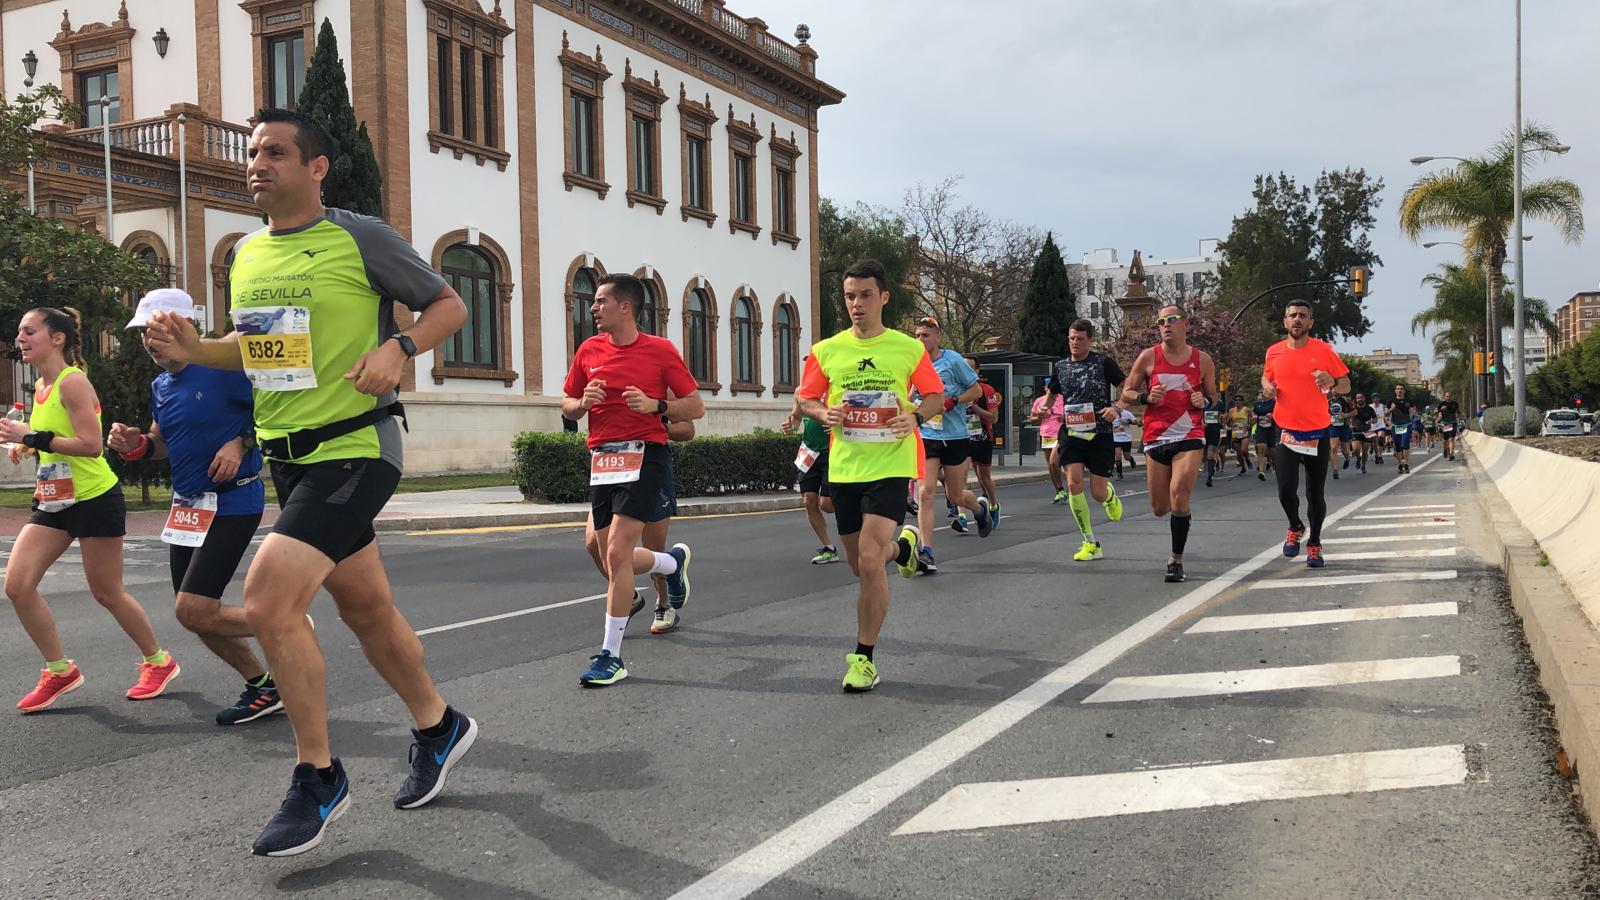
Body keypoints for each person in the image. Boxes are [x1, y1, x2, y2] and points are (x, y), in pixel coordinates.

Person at [144, 108, 475, 857]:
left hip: (356, 444)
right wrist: (201, 348)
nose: (256, 163)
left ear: (316, 167)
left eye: (275, 153)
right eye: (253, 152)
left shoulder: (358, 236)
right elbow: (260, 352)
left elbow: (449, 304)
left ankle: (318, 776)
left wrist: (400, 345)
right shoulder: (247, 255)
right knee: (366, 610)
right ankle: (439, 725)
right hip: (289, 460)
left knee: (266, 601)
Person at [108, 290, 277, 726]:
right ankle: (262, 685)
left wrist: (239, 442)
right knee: (196, 616)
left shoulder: (224, 367)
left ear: (186, 326)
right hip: (188, 510)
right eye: (143, 331)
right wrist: (137, 446)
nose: (149, 340)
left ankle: (283, 624)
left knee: (193, 609)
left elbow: (273, 412)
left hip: (235, 499)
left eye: (157, 329)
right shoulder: (161, 386)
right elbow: (161, 442)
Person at [2, 307, 180, 714]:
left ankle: (159, 661)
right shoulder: (43, 388)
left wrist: (32, 434)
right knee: (18, 585)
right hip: (54, 500)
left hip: (95, 498)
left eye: (29, 331)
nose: (21, 339)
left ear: (57, 338)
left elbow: (91, 445)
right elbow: (54, 438)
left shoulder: (73, 382)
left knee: (107, 592)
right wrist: (25, 445)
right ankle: (59, 670)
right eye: (19, 333)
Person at [796, 259, 943, 692]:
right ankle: (907, 549)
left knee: (870, 556)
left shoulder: (907, 348)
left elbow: (934, 396)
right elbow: (805, 399)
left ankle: (864, 659)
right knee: (861, 566)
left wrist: (914, 417)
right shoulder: (827, 350)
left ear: (883, 297)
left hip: (891, 464)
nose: (856, 304)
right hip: (844, 467)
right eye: (849, 296)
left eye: (864, 295)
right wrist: (825, 411)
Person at [563, 274, 704, 683]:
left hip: (645, 456)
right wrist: (580, 403)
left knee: (620, 553)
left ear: (626, 307)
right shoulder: (588, 350)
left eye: (600, 300)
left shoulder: (659, 351)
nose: (592, 307)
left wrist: (656, 405)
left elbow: (695, 407)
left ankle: (611, 655)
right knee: (610, 554)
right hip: (603, 459)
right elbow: (567, 402)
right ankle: (672, 562)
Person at [1119, 304, 1217, 583]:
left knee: (1179, 494)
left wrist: (1205, 401)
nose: (1165, 325)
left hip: (1189, 435)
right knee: (1160, 508)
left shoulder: (1203, 360)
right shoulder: (1148, 357)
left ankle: (1176, 560)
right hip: (1156, 437)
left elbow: (1213, 397)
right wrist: (1145, 398)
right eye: (1161, 321)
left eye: (1171, 320)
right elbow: (1126, 392)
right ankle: (1177, 528)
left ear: (1185, 324)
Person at [1261, 300, 1351, 569]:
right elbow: (1267, 378)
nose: (1297, 320)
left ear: (1310, 322)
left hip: (1318, 432)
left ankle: (1314, 543)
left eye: (1303, 316)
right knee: (1285, 490)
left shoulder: (1324, 351)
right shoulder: (1274, 352)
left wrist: (1332, 381)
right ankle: (1295, 525)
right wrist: (1267, 387)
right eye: (1292, 316)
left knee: (1315, 494)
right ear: (1285, 322)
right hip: (1286, 430)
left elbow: (1346, 385)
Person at [910, 317, 992, 574]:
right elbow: (909, 395)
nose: (921, 340)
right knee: (925, 493)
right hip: (927, 436)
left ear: (937, 337)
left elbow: (976, 391)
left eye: (925, 335)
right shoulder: (913, 363)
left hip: (955, 436)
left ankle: (979, 510)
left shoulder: (953, 360)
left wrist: (953, 400)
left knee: (955, 496)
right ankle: (927, 552)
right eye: (917, 336)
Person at [1044, 319, 1128, 562]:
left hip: (1100, 433)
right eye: (1071, 339)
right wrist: (1043, 409)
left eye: (1080, 339)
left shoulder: (1102, 363)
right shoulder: (1061, 367)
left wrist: (1117, 408)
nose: (1074, 343)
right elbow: (1052, 394)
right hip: (1072, 433)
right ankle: (1089, 542)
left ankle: (1109, 496)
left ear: (1090, 340)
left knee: (1098, 493)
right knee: (1073, 483)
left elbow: (1127, 387)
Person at [782, 390, 839, 565]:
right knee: (809, 501)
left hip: (833, 451)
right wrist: (791, 426)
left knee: (827, 504)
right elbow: (796, 418)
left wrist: (840, 425)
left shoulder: (836, 386)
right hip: (809, 452)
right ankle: (829, 548)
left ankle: (855, 508)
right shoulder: (801, 391)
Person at [964, 358, 1002, 528]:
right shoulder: (957, 389)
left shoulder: (986, 390)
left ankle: (994, 505)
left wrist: (976, 409)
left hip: (982, 437)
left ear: (978, 371)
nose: (967, 370)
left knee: (983, 476)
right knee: (960, 478)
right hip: (961, 437)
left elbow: (993, 418)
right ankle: (961, 517)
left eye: (971, 368)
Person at [1029, 385, 1066, 502]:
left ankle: (1070, 487)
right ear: (1045, 387)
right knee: (1051, 465)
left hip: (1061, 434)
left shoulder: (1063, 398)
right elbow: (1032, 418)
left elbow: (1073, 413)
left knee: (1057, 462)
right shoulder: (1039, 401)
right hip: (1047, 433)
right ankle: (1059, 491)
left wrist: (1063, 418)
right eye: (1048, 386)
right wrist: (1040, 417)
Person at [1389, 384, 1417, 474]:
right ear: (1395, 391)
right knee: (1397, 446)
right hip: (1395, 426)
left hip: (1406, 425)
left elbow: (1414, 413)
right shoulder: (1391, 401)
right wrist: (1391, 409)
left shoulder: (1408, 401)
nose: (1399, 390)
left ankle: (1406, 463)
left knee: (1405, 443)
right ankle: (1400, 464)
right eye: (1398, 389)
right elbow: (1385, 414)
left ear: (1404, 391)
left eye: (1401, 389)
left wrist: (1410, 409)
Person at [1252, 390, 1277, 482]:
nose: (1262, 394)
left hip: (1271, 429)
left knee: (1272, 451)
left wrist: (1273, 415)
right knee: (1261, 448)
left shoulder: (1274, 403)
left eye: (1264, 393)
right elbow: (1254, 413)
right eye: (1261, 393)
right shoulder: (1257, 404)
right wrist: (1253, 417)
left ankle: (1274, 465)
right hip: (1261, 429)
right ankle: (1261, 471)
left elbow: (1281, 414)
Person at [1202, 395, 1226, 488]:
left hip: (1215, 431)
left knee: (1210, 454)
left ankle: (1209, 477)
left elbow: (1224, 413)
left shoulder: (1219, 403)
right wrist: (1202, 422)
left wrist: (1222, 417)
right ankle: (1210, 465)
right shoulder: (1201, 402)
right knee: (1204, 454)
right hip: (1203, 432)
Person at [1350, 392, 1376, 473]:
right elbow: (1347, 417)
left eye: (1361, 397)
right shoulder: (1353, 408)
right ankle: (1358, 458)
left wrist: (1371, 421)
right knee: (1356, 449)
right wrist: (1349, 425)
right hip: (1356, 432)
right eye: (1358, 398)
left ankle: (1363, 466)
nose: (1359, 399)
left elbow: (1375, 419)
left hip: (1367, 431)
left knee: (1365, 451)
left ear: (1364, 398)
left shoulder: (1369, 409)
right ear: (1356, 399)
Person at [1111, 406, 1139, 480]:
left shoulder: (1127, 413)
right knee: (1118, 455)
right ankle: (1119, 474)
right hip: (1116, 438)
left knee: (1126, 456)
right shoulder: (1111, 413)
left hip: (1126, 438)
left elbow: (1136, 421)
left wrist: (1128, 421)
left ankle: (1131, 459)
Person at [1328, 392, 1351, 480]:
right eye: (1333, 389)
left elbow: (1355, 411)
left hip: (1344, 427)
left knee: (1344, 450)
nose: (1334, 391)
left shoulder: (1346, 401)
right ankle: (1335, 470)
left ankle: (1347, 458)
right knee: (1333, 448)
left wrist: (1346, 415)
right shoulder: (1328, 401)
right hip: (1333, 427)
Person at [1438, 392, 1462, 460]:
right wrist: (1440, 410)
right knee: (1445, 440)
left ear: (1451, 397)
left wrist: (1461, 415)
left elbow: (1458, 411)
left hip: (1453, 422)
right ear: (1444, 397)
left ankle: (1451, 454)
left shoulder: (1455, 403)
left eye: (1449, 396)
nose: (1448, 398)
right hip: (1445, 423)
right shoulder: (1442, 404)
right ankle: (1445, 450)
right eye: (1447, 396)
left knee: (1451, 438)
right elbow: (1436, 411)